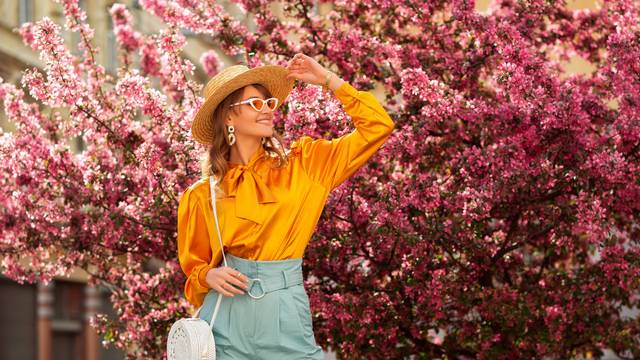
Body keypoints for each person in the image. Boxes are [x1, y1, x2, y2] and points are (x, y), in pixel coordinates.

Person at [177, 53, 395, 359]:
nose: (267, 111)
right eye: (254, 104)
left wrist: (329, 80)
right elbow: (194, 269)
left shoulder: (306, 165)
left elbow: (378, 127)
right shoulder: (201, 195)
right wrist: (207, 276)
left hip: (285, 313)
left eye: (269, 103)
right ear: (228, 117)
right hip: (224, 320)